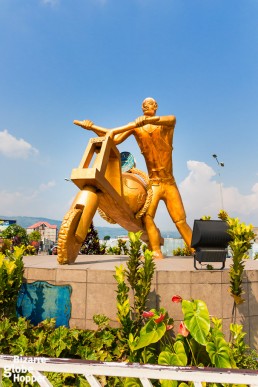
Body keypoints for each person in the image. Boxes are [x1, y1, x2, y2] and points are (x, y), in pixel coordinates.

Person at [76, 97, 192, 258]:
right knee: (148, 218)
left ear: (156, 106)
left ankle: (195, 250)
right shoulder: (137, 129)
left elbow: (172, 119)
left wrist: (146, 121)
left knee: (180, 220)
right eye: (143, 105)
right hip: (154, 184)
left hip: (169, 183)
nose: (145, 106)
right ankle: (156, 251)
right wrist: (92, 128)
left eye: (149, 104)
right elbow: (113, 138)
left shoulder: (166, 127)